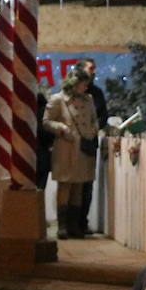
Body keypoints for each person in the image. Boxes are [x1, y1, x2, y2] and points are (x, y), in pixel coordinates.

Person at [43, 67, 99, 240]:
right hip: (66, 148)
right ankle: (63, 226)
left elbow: (94, 120)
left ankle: (75, 225)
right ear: (74, 84)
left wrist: (92, 131)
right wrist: (60, 128)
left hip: (83, 148)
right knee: (65, 185)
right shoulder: (58, 99)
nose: (85, 88)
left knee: (79, 186)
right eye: (83, 84)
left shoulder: (89, 100)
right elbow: (46, 121)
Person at [78, 57, 108, 236]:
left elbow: (103, 115)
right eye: (91, 68)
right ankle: (69, 222)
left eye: (94, 68)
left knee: (87, 184)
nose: (94, 72)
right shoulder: (71, 94)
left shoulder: (97, 93)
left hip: (90, 143)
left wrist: (93, 128)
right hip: (73, 144)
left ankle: (83, 221)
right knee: (73, 185)